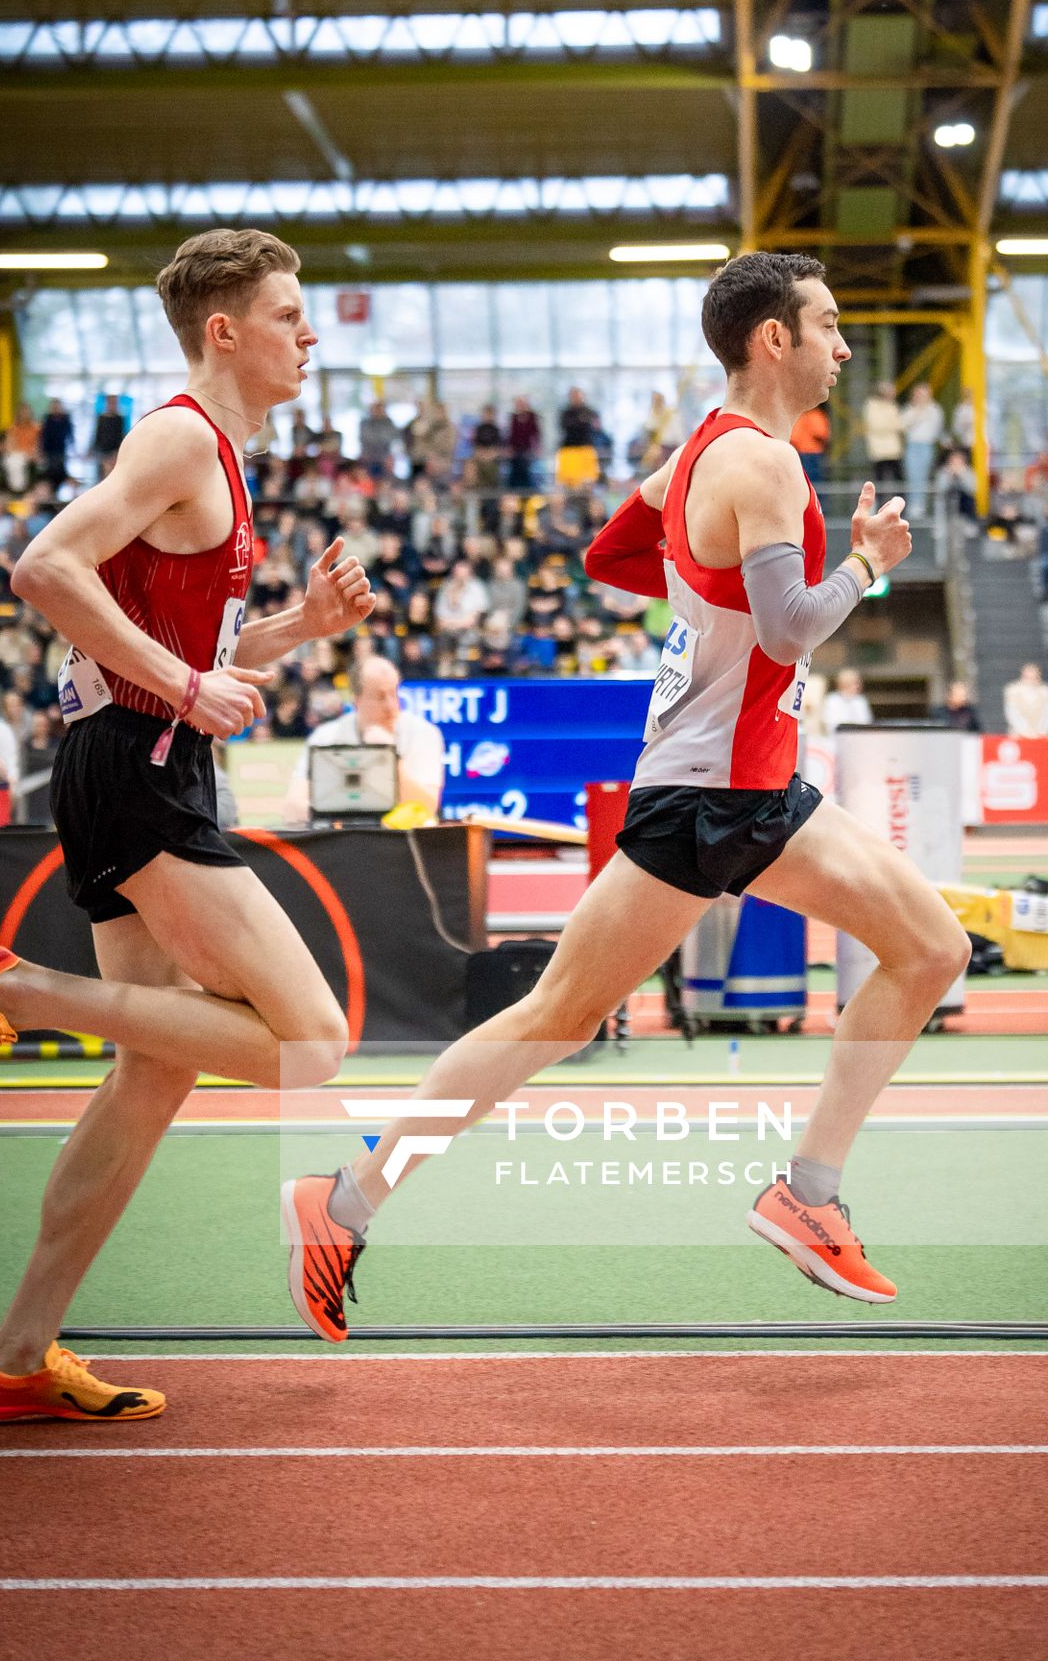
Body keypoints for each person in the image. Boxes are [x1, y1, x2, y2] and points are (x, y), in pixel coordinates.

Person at [281, 249, 968, 1340]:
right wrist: (869, 561)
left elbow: (610, 554)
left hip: (750, 790)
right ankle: (344, 1200)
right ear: (770, 339)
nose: (842, 349)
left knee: (930, 949)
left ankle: (811, 1194)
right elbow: (790, 627)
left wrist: (709, 591)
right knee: (550, 1015)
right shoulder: (765, 463)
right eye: (828, 327)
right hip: (711, 800)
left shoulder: (694, 451)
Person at [0, 227, 374, 1424]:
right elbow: (45, 567)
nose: (310, 335)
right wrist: (188, 690)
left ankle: (18, 1359)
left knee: (153, 1074)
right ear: (224, 331)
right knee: (311, 1037)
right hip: (140, 764)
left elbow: (190, 646)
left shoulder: (222, 461)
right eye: (291, 315)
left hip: (133, 755)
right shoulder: (181, 434)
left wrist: (292, 630)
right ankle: (12, 990)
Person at [284, 655, 445, 823]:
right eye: (380, 697)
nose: (391, 706)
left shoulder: (423, 733)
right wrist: (338, 812)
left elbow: (427, 807)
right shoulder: (325, 738)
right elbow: (292, 809)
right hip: (344, 840)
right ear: (357, 700)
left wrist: (390, 758)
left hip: (402, 840)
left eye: (394, 693)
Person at [900, 382, 943, 520]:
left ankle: (920, 505)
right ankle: (913, 505)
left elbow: (936, 428)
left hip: (926, 445)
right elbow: (904, 425)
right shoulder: (909, 409)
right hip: (912, 445)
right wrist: (918, 412)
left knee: (923, 476)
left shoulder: (935, 409)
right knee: (912, 475)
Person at [863, 382, 903, 489]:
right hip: (878, 451)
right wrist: (892, 425)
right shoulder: (872, 406)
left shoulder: (892, 406)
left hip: (893, 451)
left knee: (898, 480)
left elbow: (899, 425)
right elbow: (876, 425)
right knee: (879, 480)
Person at [1003, 662, 1048, 738]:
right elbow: (1012, 713)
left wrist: (1041, 730)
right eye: (1028, 677)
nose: (1031, 680)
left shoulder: (1046, 690)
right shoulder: (1012, 690)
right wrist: (1025, 731)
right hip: (1018, 734)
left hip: (1043, 735)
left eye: (1034, 677)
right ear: (1022, 675)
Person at [822, 667, 873, 732]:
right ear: (846, 684)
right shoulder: (832, 700)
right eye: (856, 683)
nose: (859, 686)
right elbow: (830, 724)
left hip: (859, 736)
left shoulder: (861, 700)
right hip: (838, 737)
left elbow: (867, 722)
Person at [790, 402, 830, 485]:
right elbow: (821, 433)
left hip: (800, 453)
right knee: (817, 483)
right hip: (814, 453)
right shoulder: (815, 415)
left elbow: (794, 437)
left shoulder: (799, 417)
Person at [92, 393, 127, 476]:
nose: (112, 404)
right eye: (111, 402)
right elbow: (98, 434)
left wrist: (117, 451)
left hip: (114, 451)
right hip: (102, 450)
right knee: (101, 474)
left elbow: (121, 435)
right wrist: (95, 449)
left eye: (114, 402)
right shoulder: (101, 417)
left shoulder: (119, 418)